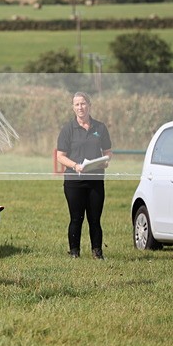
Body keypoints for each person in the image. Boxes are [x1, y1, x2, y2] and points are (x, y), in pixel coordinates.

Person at [56, 91, 112, 260]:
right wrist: (75, 166)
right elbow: (60, 156)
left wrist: (105, 161)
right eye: (77, 104)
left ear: (89, 105)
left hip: (95, 180)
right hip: (74, 181)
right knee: (76, 218)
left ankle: (97, 252)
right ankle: (74, 252)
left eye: (83, 103)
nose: (80, 107)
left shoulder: (100, 128)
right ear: (73, 108)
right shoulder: (68, 129)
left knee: (95, 219)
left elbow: (108, 152)